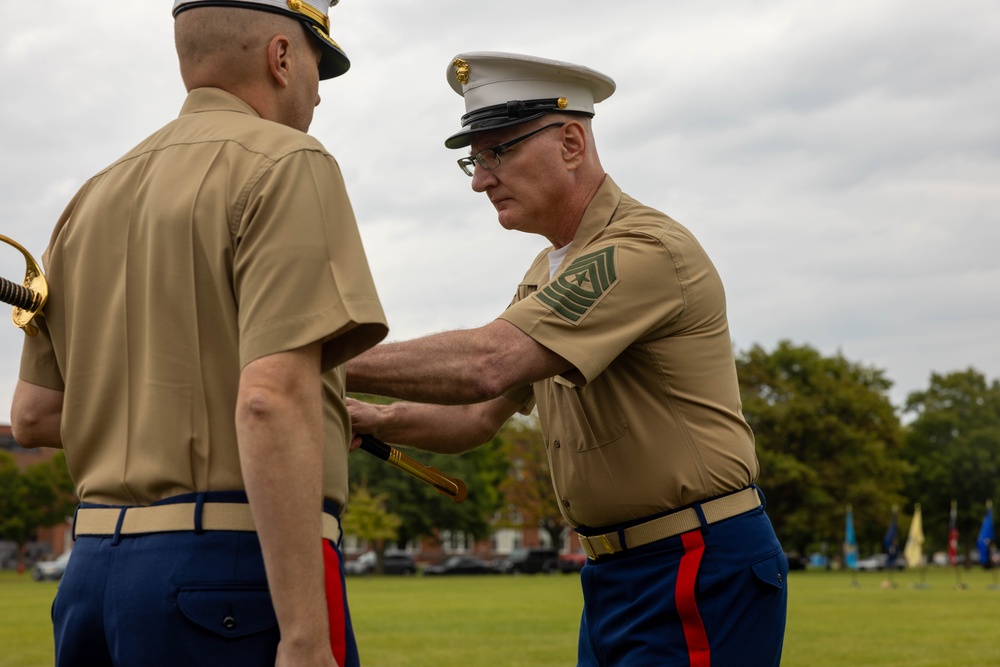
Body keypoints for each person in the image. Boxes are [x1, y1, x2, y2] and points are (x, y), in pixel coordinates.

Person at [346, 52, 787, 666]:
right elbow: (477, 416)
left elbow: (487, 363)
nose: (479, 179)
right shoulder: (549, 270)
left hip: (693, 562)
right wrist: (374, 419)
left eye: (499, 151)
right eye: (474, 159)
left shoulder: (641, 248)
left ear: (572, 142)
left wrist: (309, 356)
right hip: (620, 570)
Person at [10, 2, 387, 666]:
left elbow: (34, 416)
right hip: (229, 576)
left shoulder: (90, 197)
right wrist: (303, 634)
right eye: (316, 63)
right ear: (280, 56)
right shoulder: (288, 162)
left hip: (92, 573)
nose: (319, 90)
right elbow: (270, 399)